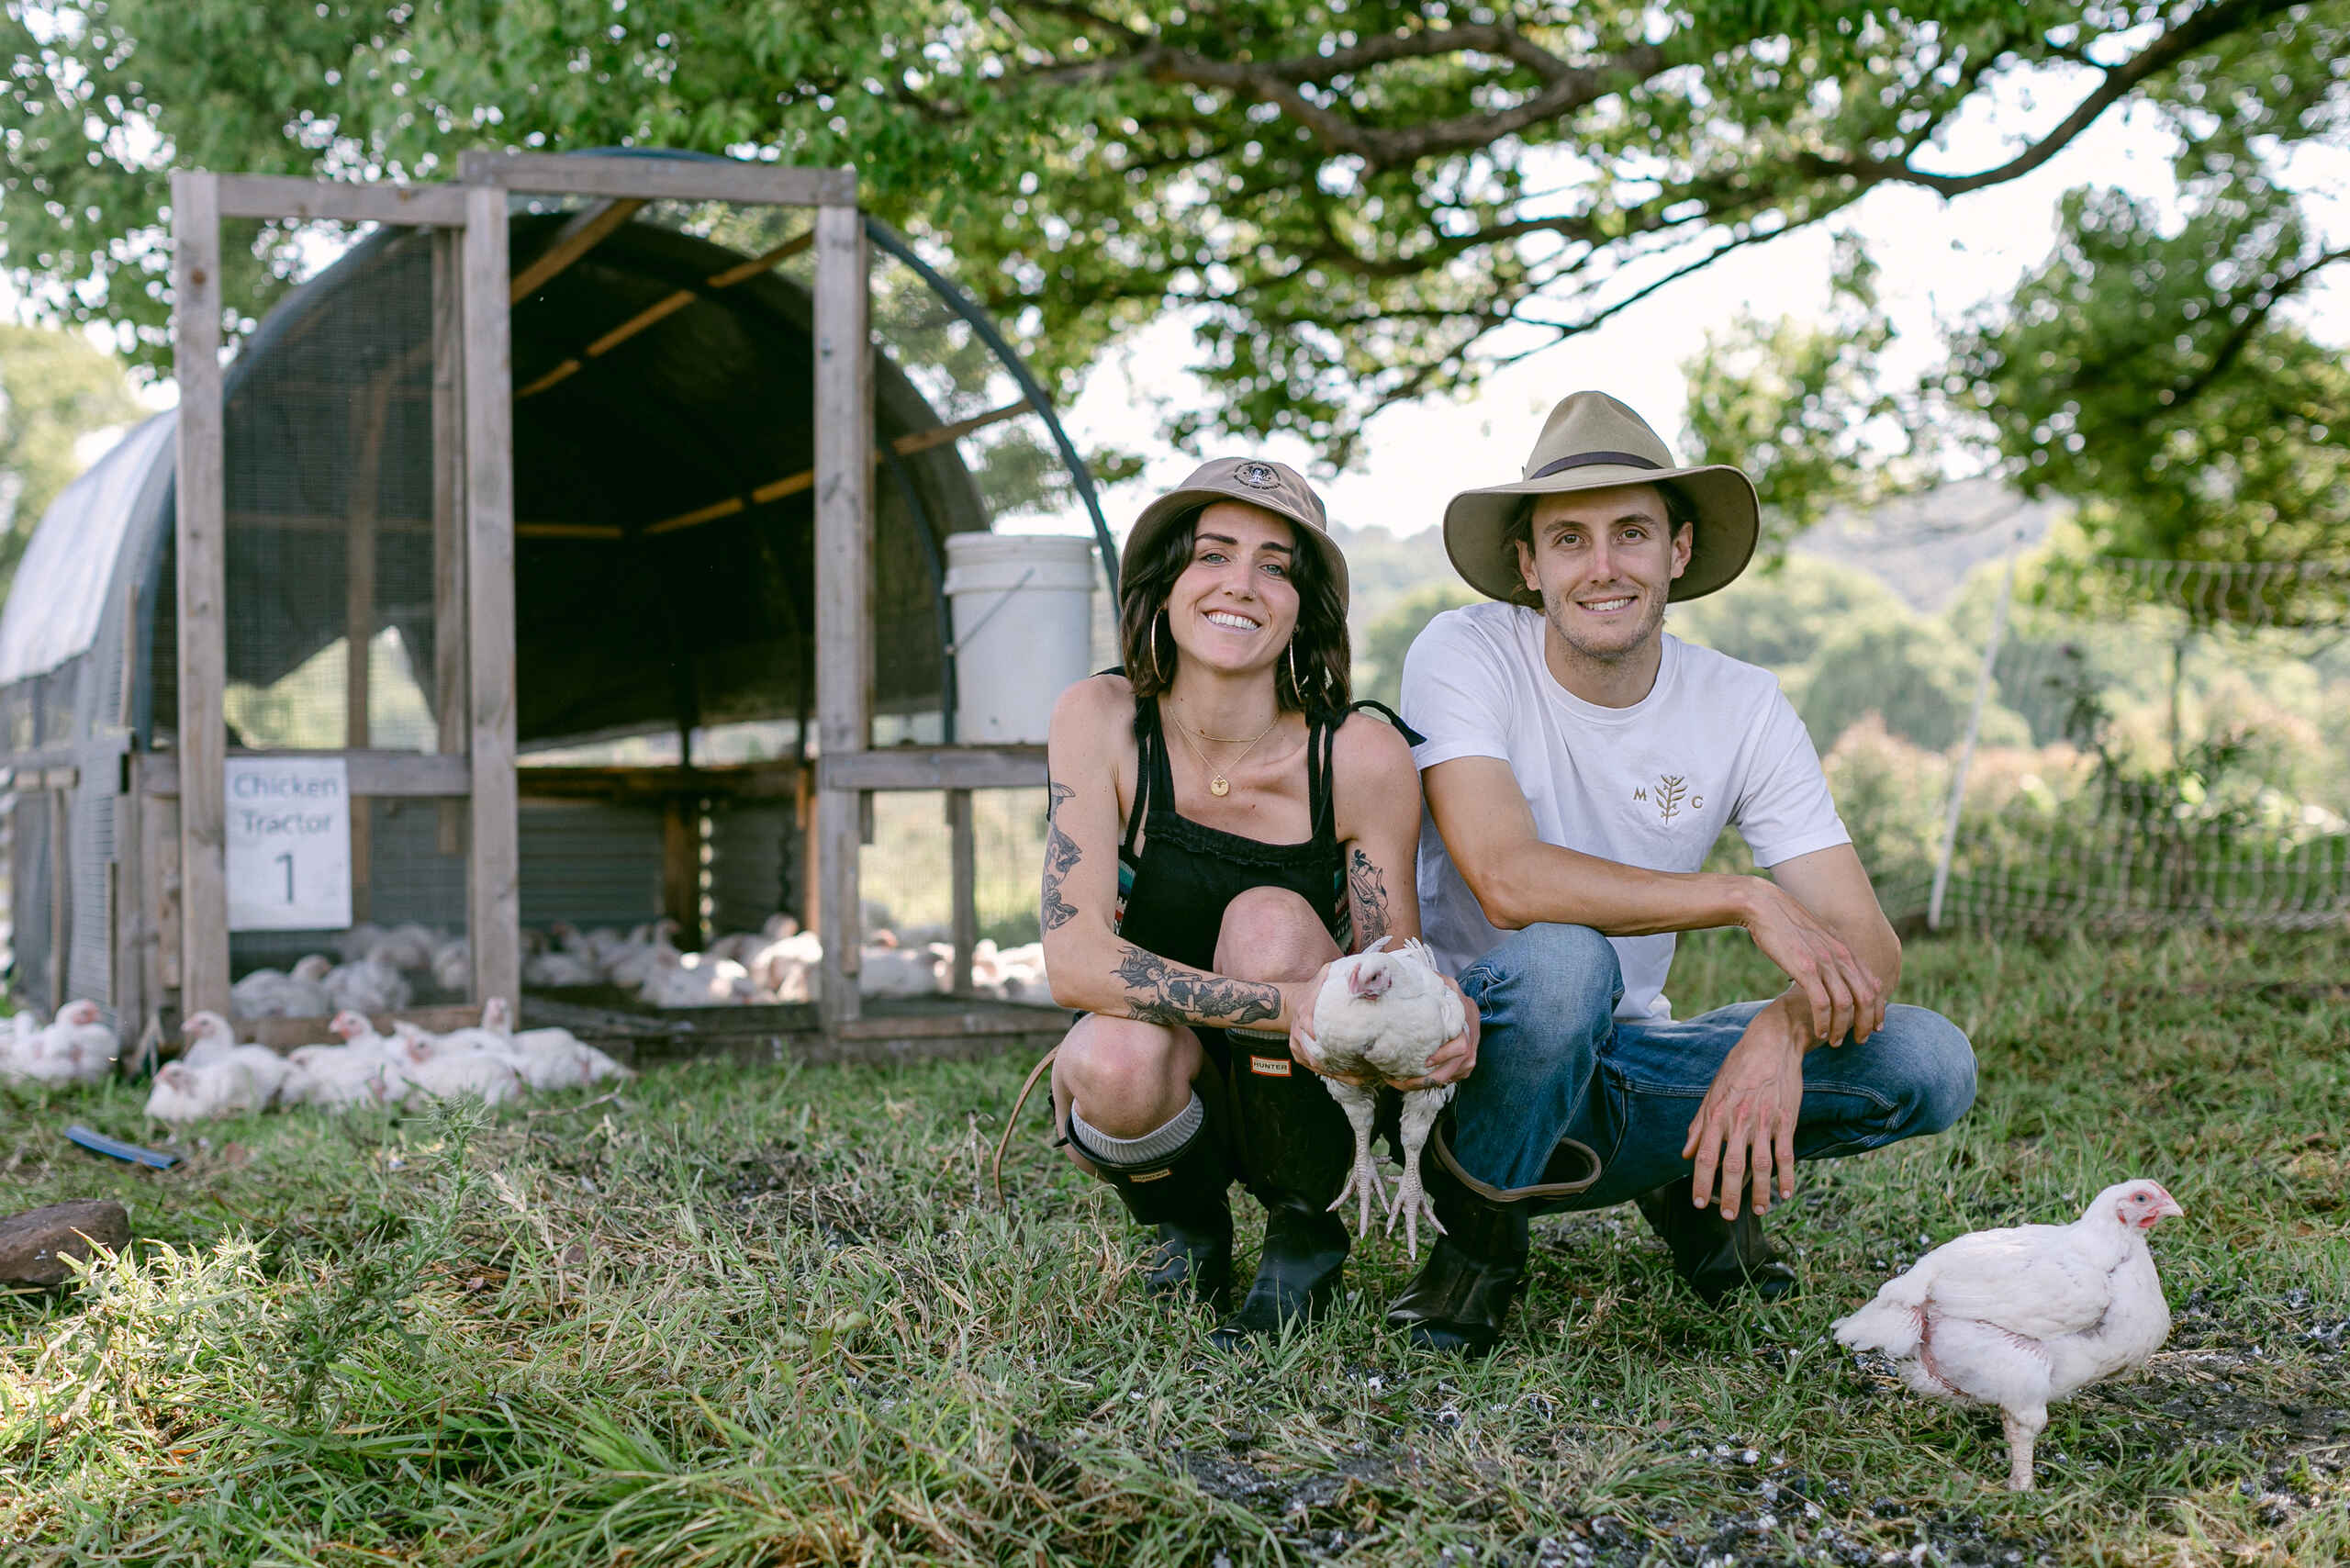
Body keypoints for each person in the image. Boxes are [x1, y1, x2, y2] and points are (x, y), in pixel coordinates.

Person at [1384, 391, 1978, 1354]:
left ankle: (1685, 1174)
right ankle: (1474, 1251)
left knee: (1926, 1060)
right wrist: (1742, 895)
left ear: (1678, 551)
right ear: (1529, 567)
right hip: (1467, 1057)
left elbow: (1863, 944)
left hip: (1626, 1059)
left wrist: (1782, 1032)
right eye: (1568, 539)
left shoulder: (1740, 703)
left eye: (1631, 531)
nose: (1603, 565)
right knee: (1567, 965)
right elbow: (1506, 878)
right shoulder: (1463, 650)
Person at [1040, 456, 1473, 1347]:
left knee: (1268, 921)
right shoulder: (1102, 719)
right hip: (1177, 1074)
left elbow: (1391, 966)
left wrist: (1432, 1007)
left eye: (1275, 564)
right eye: (1213, 554)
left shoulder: (1356, 754)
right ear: (1164, 587)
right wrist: (1291, 1002)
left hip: (1309, 1084)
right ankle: (1188, 1225)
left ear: (1301, 605)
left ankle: (1305, 1225)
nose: (1241, 583)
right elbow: (1074, 960)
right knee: (1111, 1059)